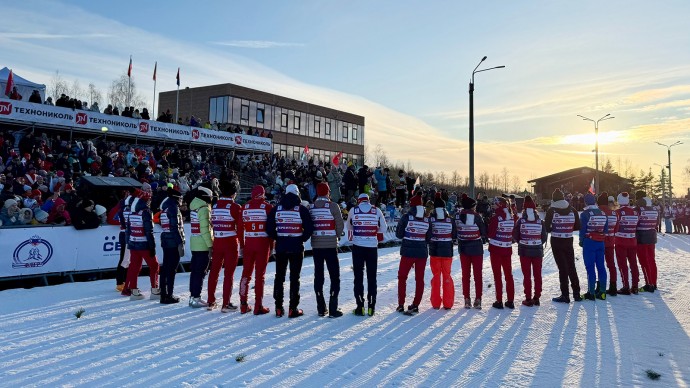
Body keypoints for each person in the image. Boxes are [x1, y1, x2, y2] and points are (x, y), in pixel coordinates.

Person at [266, 184, 314, 318]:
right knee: (295, 278)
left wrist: (278, 237)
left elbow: (269, 228)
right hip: (296, 247)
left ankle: (278, 307)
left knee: (279, 277)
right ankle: (293, 308)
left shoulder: (277, 209)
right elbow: (309, 228)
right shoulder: (301, 209)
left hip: (281, 246)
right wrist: (301, 239)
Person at [344, 193, 387, 316]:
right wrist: (373, 230)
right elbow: (383, 228)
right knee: (372, 277)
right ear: (368, 201)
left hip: (358, 246)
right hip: (372, 246)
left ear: (359, 201)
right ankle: (371, 307)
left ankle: (360, 306)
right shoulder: (376, 210)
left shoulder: (354, 210)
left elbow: (348, 226)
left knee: (358, 277)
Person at [207, 180, 244, 312]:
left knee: (214, 272)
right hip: (230, 242)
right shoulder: (235, 207)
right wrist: (243, 244)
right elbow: (240, 229)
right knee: (229, 274)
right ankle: (226, 304)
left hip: (217, 240)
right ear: (233, 193)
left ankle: (210, 301)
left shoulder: (215, 205)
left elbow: (212, 223)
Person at [309, 182, 345, 317]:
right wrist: (334, 236)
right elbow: (340, 225)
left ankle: (321, 307)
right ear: (328, 192)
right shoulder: (333, 206)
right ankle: (333, 308)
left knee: (318, 275)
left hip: (316, 246)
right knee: (334, 276)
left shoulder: (311, 207)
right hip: (330, 246)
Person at [395, 192, 431, 315]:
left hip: (407, 251)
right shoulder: (427, 218)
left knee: (402, 277)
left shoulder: (406, 217)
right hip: (421, 251)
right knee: (419, 279)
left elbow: (398, 235)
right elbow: (429, 237)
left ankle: (401, 304)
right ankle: (416, 304)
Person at [239, 185, 273, 315]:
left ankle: (243, 303)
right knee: (260, 275)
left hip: (249, 243)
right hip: (262, 243)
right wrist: (272, 246)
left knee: (245, 274)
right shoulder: (267, 207)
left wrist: (242, 245)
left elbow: (240, 229)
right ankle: (258, 305)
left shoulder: (244, 207)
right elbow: (270, 229)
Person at [544, 189, 582, 303]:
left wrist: (554, 228)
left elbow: (546, 227)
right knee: (571, 266)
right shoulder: (572, 209)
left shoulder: (551, 210)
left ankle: (565, 295)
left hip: (556, 240)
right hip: (568, 240)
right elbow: (577, 226)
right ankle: (576, 293)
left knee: (562, 268)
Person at [123, 189, 160, 300]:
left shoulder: (132, 212)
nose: (150, 201)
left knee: (134, 267)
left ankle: (133, 291)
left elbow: (128, 230)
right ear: (145, 200)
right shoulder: (146, 212)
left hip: (133, 243)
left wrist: (128, 243)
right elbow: (149, 231)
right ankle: (155, 290)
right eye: (149, 199)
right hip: (144, 244)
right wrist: (152, 246)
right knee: (154, 265)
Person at [513, 195, 547, 307]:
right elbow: (544, 237)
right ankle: (537, 297)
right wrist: (536, 242)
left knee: (527, 275)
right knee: (537, 274)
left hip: (524, 251)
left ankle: (528, 298)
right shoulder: (540, 221)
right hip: (537, 250)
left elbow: (515, 235)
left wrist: (523, 242)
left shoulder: (520, 221)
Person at [456, 194, 487, 309]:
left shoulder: (457, 216)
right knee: (477, 275)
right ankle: (478, 298)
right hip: (476, 248)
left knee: (465, 275)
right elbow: (484, 232)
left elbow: (455, 232)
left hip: (463, 248)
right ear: (472, 207)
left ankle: (466, 299)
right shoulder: (477, 217)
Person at [428, 193, 457, 310]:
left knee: (436, 276)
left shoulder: (431, 219)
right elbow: (455, 235)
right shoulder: (450, 220)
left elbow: (428, 234)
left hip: (434, 251)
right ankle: (448, 303)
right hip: (447, 251)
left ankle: (435, 303)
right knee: (447, 276)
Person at [487, 197, 516, 309]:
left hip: (495, 249)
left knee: (497, 275)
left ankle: (499, 301)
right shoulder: (511, 217)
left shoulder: (496, 218)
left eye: (494, 204)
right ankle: (510, 300)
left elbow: (490, 234)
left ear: (499, 205)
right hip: (507, 249)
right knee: (509, 275)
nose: (493, 206)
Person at [579, 193, 609, 301]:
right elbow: (606, 229)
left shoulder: (585, 214)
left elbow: (582, 230)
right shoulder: (603, 213)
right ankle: (602, 292)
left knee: (590, 267)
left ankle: (591, 293)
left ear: (585, 202)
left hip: (589, 242)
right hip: (600, 242)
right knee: (601, 267)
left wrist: (581, 241)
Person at [188, 185, 214, 308]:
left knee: (194, 272)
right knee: (200, 272)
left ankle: (192, 297)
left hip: (194, 244)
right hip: (203, 245)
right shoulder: (204, 208)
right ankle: (196, 297)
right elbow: (205, 229)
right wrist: (210, 245)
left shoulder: (194, 207)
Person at [159, 188, 185, 304]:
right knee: (171, 270)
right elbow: (175, 228)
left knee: (165, 268)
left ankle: (163, 295)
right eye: (180, 199)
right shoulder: (173, 208)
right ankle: (169, 295)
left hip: (166, 240)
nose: (182, 201)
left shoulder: (165, 207)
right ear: (176, 198)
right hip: (173, 242)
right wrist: (180, 243)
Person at [614, 192, 639, 295]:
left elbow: (615, 226)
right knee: (633, 263)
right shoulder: (634, 212)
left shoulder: (617, 212)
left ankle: (626, 286)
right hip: (632, 240)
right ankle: (635, 286)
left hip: (620, 241)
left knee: (623, 264)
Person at [634, 190, 659, 292]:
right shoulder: (654, 209)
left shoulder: (638, 210)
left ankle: (649, 284)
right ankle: (654, 282)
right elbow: (657, 223)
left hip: (642, 237)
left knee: (644, 261)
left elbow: (635, 223)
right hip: (652, 237)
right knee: (652, 260)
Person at [600, 194, 620, 296]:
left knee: (600, 265)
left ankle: (600, 286)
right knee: (611, 264)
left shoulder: (600, 212)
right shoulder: (615, 213)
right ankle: (613, 286)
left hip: (600, 241)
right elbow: (616, 229)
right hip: (611, 241)